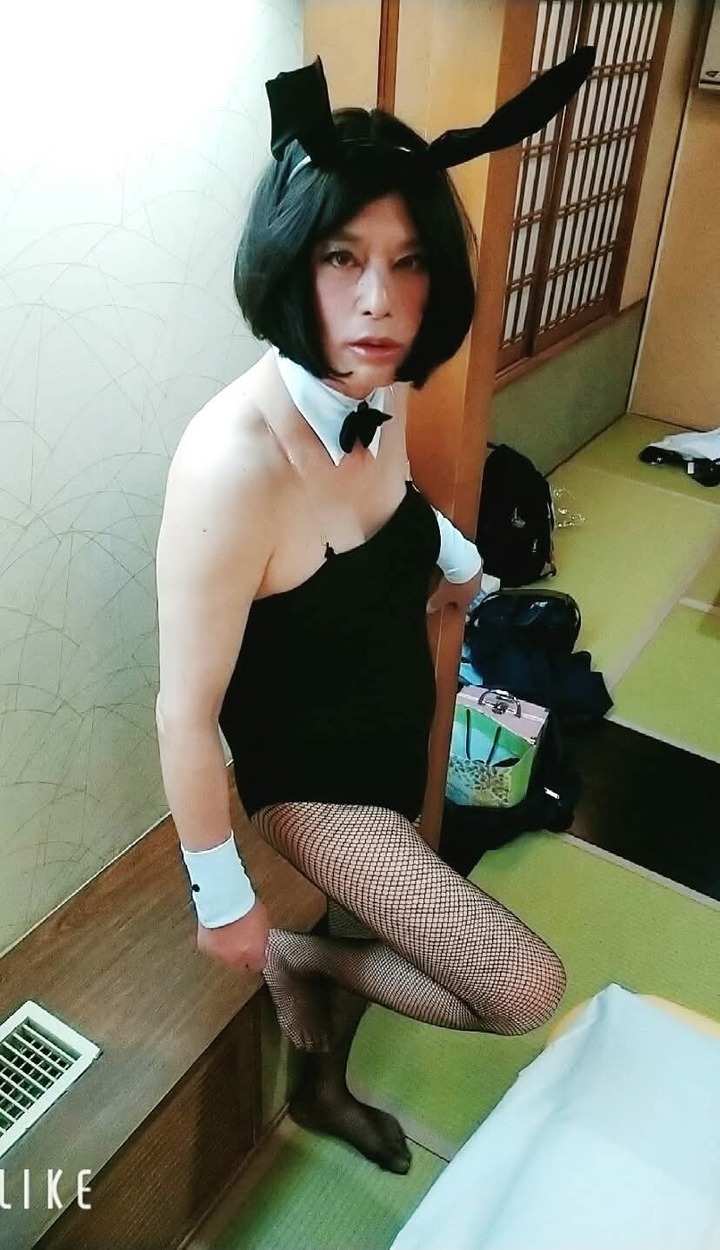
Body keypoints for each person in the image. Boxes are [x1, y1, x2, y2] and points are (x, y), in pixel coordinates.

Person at [155, 50, 595, 1174]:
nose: (378, 302)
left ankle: (321, 1081)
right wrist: (224, 896)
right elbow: (183, 714)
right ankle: (296, 959)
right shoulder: (229, 464)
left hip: (397, 714)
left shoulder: (374, 384)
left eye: (409, 263)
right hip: (309, 781)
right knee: (521, 987)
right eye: (342, 257)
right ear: (289, 260)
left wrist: (459, 556)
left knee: (385, 915)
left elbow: (387, 501)